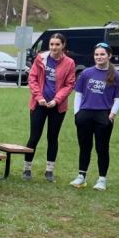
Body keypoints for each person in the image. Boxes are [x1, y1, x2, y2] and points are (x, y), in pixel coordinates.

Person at [70, 43, 119, 191]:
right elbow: (78, 93)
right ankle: (81, 176)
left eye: (102, 54)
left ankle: (102, 179)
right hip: (85, 114)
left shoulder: (117, 76)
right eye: (96, 54)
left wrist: (112, 115)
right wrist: (77, 113)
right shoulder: (87, 73)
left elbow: (118, 98)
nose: (99, 57)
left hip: (104, 115)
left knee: (102, 148)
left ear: (109, 55)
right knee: (85, 147)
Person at [23, 33, 76, 182]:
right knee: (34, 136)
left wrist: (56, 100)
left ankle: (49, 171)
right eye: (52, 44)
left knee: (52, 138)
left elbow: (69, 84)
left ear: (63, 46)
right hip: (38, 104)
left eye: (57, 44)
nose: (54, 47)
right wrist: (39, 97)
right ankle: (27, 168)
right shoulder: (41, 58)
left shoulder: (70, 63)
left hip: (57, 107)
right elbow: (32, 78)